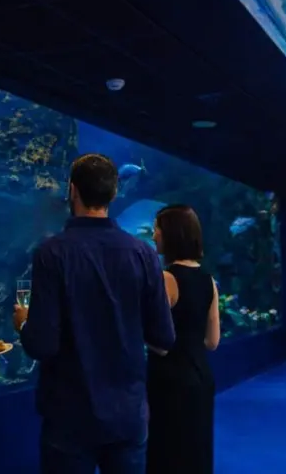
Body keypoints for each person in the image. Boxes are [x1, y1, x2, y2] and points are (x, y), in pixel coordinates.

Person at [12, 153, 175, 474]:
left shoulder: (52, 253)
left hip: (69, 417)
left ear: (72, 190)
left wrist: (24, 323)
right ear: (114, 193)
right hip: (127, 414)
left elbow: (42, 345)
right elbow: (164, 338)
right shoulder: (143, 253)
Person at [145, 204, 221, 474]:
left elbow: (160, 344)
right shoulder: (208, 280)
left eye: (157, 228)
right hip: (200, 378)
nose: (153, 235)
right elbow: (212, 341)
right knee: (196, 456)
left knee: (168, 457)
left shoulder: (166, 279)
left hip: (170, 383)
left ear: (171, 234)